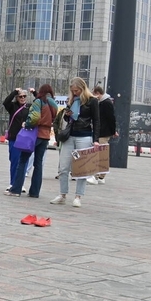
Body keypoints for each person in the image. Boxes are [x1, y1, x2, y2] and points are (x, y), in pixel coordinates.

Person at [51, 77, 100, 208]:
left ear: (83, 89)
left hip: (84, 136)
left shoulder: (92, 101)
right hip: (70, 135)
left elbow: (96, 120)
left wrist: (96, 140)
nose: (75, 93)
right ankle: (62, 194)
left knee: (81, 168)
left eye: (77, 90)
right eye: (73, 91)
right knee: (63, 167)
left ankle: (78, 196)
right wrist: (67, 114)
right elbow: (66, 118)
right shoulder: (72, 100)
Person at [9, 84, 58, 198]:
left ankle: (16, 189)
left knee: (23, 161)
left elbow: (35, 117)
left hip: (35, 134)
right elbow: (54, 117)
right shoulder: (53, 104)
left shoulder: (38, 102)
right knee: (38, 164)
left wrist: (27, 123)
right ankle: (34, 192)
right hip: (45, 136)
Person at [3, 88, 32, 191]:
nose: (23, 98)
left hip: (25, 138)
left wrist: (35, 92)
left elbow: (40, 104)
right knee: (14, 160)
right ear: (17, 97)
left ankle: (20, 183)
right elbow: (5, 102)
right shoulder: (12, 107)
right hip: (14, 137)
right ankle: (12, 183)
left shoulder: (29, 107)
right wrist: (15, 91)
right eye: (20, 96)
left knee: (23, 161)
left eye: (24, 96)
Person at [91, 86, 117, 183]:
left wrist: (113, 131)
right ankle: (101, 176)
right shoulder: (103, 102)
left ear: (98, 93)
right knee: (102, 153)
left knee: (100, 154)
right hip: (102, 131)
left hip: (104, 132)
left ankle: (97, 176)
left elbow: (111, 118)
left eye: (94, 94)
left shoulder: (106, 103)